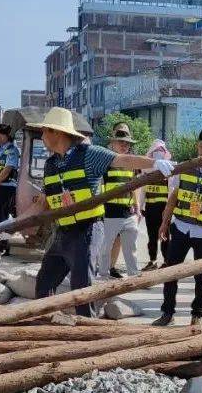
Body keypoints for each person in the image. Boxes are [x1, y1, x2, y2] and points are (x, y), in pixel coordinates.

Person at [33, 107, 172, 317]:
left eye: (44, 131)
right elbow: (44, 202)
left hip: (87, 230)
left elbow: (121, 160)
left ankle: (88, 331)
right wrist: (11, 223)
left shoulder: (89, 154)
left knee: (81, 287)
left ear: (57, 133)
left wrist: (155, 163)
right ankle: (46, 323)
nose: (42, 136)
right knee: (44, 282)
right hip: (62, 232)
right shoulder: (51, 165)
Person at [152, 127, 202, 327]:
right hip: (181, 228)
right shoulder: (183, 168)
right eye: (201, 147)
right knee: (171, 272)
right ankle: (167, 312)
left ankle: (197, 314)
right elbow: (173, 198)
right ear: (198, 145)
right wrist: (165, 222)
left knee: (201, 276)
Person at [98, 124, 142, 279]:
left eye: (127, 143)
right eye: (121, 142)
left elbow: (135, 185)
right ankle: (103, 275)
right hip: (109, 212)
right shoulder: (105, 163)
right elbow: (98, 186)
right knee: (106, 247)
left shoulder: (132, 163)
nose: (125, 146)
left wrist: (137, 207)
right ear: (113, 144)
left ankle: (134, 276)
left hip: (128, 212)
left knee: (131, 248)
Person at [0, 123, 21, 256]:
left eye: (0, 134)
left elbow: (7, 169)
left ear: (7, 135)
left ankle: (4, 247)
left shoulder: (12, 150)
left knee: (3, 219)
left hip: (7, 188)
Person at [142, 140, 171, 271]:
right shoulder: (146, 169)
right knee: (152, 237)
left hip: (163, 209)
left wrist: (170, 209)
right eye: (156, 151)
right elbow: (143, 189)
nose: (158, 153)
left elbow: (171, 191)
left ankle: (166, 261)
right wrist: (141, 205)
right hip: (150, 208)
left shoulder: (169, 169)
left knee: (164, 236)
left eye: (161, 151)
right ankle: (152, 261)